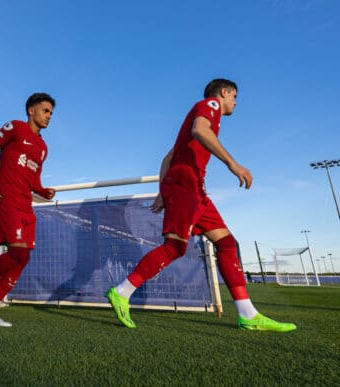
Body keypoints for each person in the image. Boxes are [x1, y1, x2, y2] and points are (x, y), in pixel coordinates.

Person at [105, 79, 296, 332]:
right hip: (186, 185)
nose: (235, 102)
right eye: (235, 96)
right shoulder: (211, 104)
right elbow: (200, 130)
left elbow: (168, 157)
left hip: (195, 189)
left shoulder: (204, 114)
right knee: (174, 247)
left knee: (227, 243)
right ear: (225, 93)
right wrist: (233, 164)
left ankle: (247, 314)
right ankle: (122, 291)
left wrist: (163, 190)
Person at [0, 92, 56, 327]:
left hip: (26, 204)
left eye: (51, 113)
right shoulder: (14, 127)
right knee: (19, 253)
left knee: (22, 259)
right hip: (5, 199)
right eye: (45, 111)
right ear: (31, 110)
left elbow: (34, 180)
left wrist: (43, 191)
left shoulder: (43, 147)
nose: (49, 116)